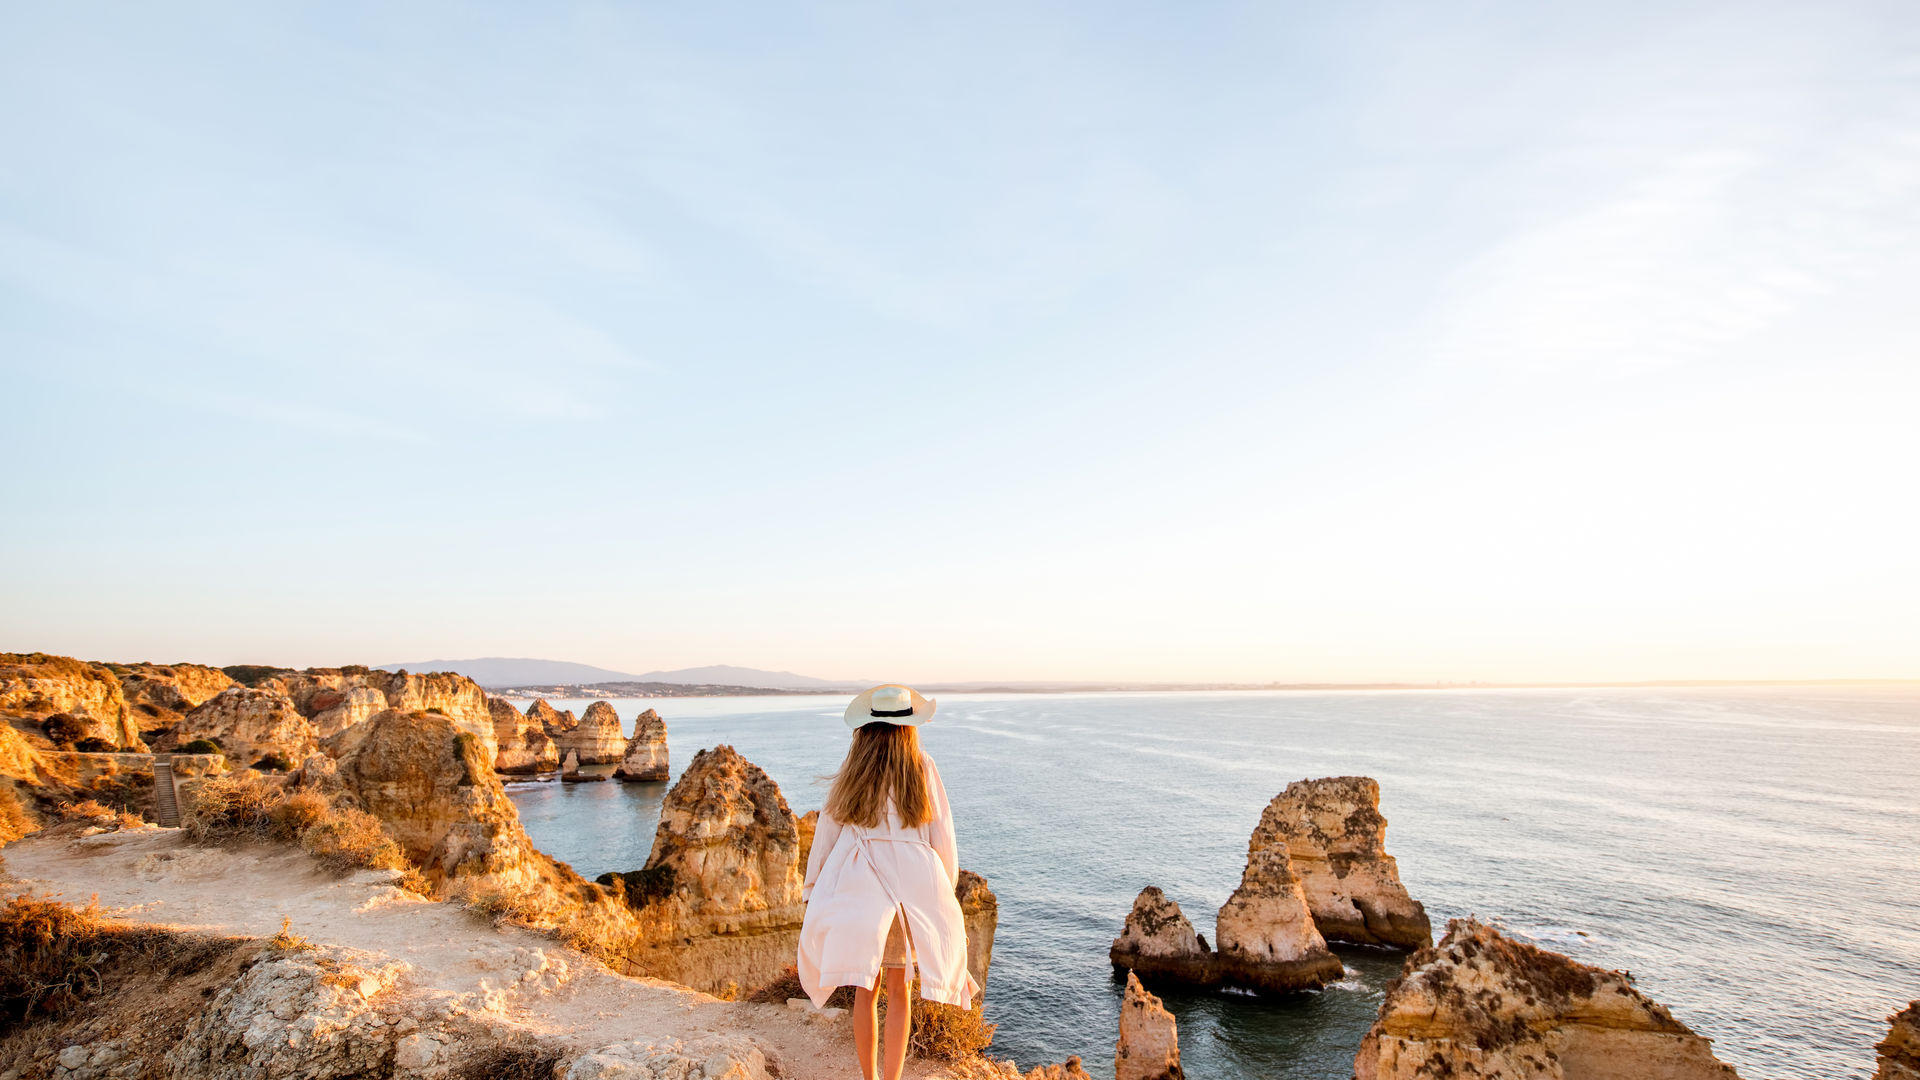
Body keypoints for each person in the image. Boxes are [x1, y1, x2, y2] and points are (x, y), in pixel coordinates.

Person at [798, 684, 978, 1080]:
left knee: (867, 988)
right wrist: (943, 894)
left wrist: (814, 890)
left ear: (866, 725)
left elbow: (827, 833)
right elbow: (942, 836)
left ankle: (870, 1078)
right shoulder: (922, 766)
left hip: (859, 887)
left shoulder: (855, 769)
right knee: (901, 991)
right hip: (912, 889)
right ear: (909, 726)